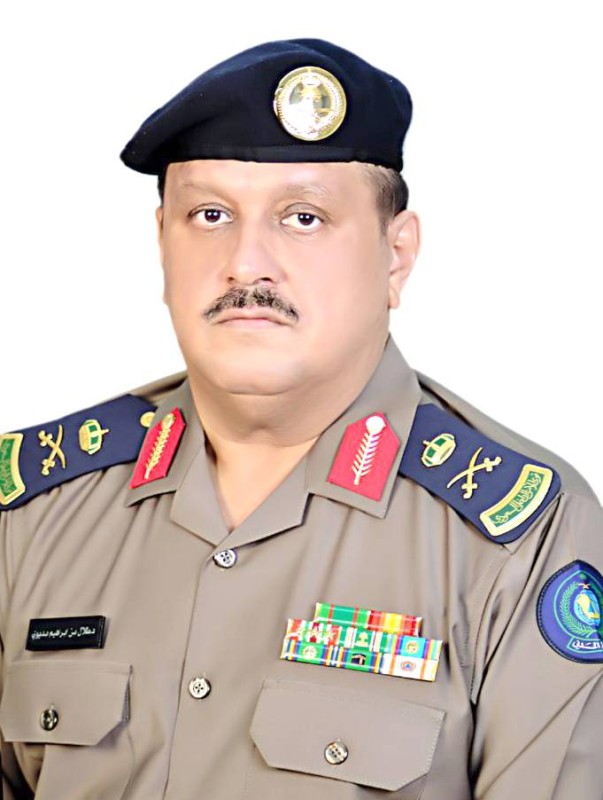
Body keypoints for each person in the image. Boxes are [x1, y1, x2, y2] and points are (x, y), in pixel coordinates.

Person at [0, 38, 601, 800]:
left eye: (303, 217)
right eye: (209, 214)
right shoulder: (34, 511)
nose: (246, 262)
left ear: (396, 255)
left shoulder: (521, 540)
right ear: (161, 243)